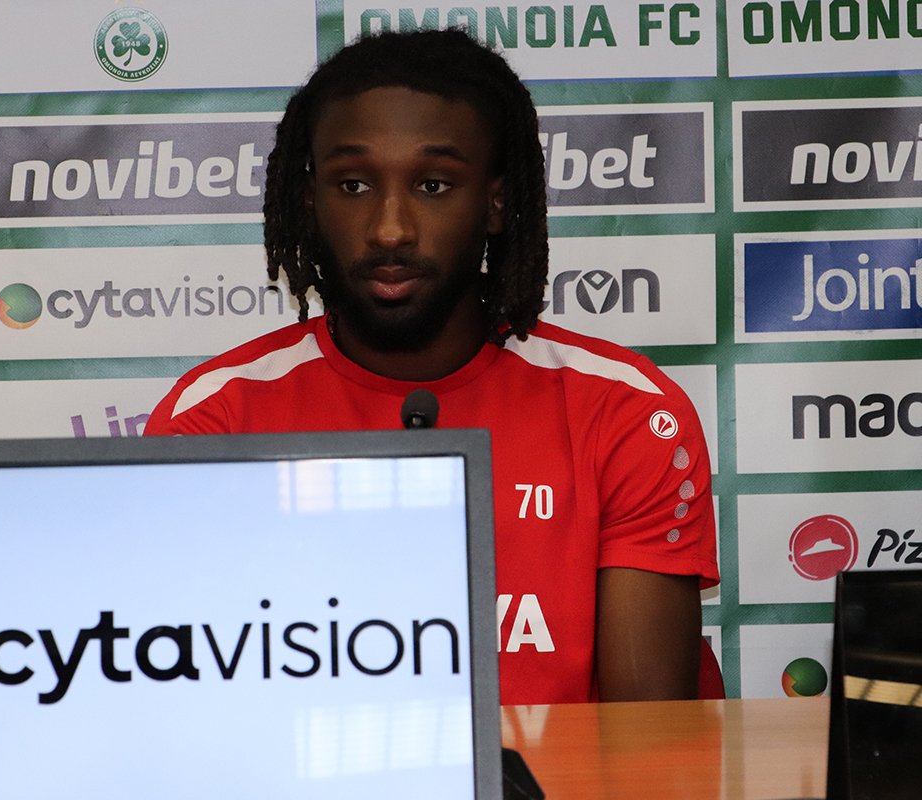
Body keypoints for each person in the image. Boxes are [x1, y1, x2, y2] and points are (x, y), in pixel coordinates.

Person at [145, 29, 719, 705]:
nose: (390, 230)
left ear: (495, 202)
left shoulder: (626, 414)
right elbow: (191, 710)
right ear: (310, 202)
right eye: (353, 184)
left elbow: (646, 743)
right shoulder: (214, 420)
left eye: (433, 184)